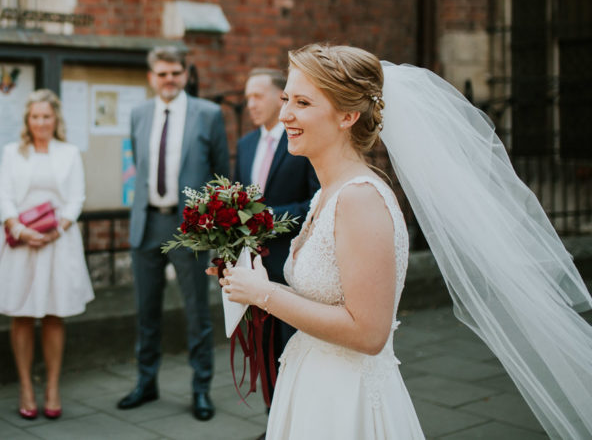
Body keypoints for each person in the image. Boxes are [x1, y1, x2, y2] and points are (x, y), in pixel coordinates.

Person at [216, 43, 592, 439]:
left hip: (347, 401)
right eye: (286, 99)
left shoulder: (360, 200)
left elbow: (369, 333)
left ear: (347, 116)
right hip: (312, 382)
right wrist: (248, 278)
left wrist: (265, 295)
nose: (286, 114)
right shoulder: (325, 193)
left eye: (303, 102)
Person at [117, 46, 230, 421]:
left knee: (197, 312)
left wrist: (217, 235)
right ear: (151, 77)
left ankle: (201, 390)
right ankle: (146, 383)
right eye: (162, 73)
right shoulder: (138, 114)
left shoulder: (208, 114)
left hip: (190, 228)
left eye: (175, 73)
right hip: (147, 222)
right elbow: (141, 165)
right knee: (146, 312)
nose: (169, 80)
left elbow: (219, 176)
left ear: (185, 75)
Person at [0, 89, 94, 420]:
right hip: (21, 242)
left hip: (59, 240)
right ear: (27, 121)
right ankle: (26, 387)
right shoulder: (13, 152)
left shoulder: (69, 153)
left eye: (46, 116)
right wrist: (20, 229)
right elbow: (4, 196)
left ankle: (53, 386)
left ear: (55, 119)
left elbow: (76, 197)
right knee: (23, 314)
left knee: (55, 314)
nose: (40, 122)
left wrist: (60, 228)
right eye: (34, 116)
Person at [234, 68, 318, 425]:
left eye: (257, 96)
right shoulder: (245, 144)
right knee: (261, 348)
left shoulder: (301, 141)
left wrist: (267, 217)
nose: (250, 104)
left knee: (290, 347)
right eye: (247, 97)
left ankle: (299, 421)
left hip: (289, 262)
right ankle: (274, 421)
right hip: (253, 265)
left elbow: (316, 202)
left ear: (278, 97)